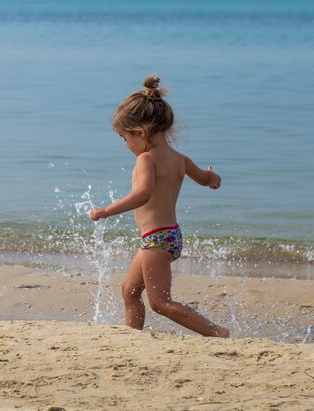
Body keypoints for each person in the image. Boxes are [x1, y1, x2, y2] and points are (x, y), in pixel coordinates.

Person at [90, 76, 229, 338]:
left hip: (157, 240)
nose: (126, 145)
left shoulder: (146, 159)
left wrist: (106, 211)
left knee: (160, 302)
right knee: (130, 291)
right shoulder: (180, 159)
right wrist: (214, 178)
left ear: (140, 133)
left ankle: (216, 332)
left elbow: (142, 194)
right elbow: (205, 178)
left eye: (125, 138)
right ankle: (133, 338)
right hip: (167, 236)